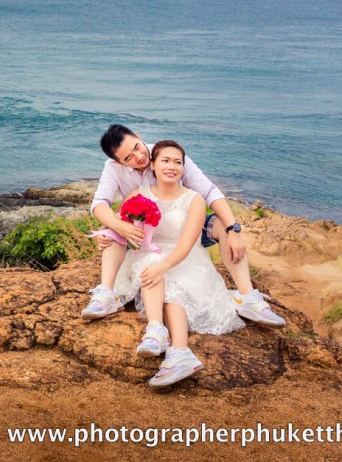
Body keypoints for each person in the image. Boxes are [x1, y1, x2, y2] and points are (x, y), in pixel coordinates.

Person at [80, 124, 284, 328]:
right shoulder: (113, 168)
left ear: (137, 136)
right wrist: (117, 225)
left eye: (136, 147)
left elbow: (209, 191)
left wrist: (234, 229)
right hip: (146, 233)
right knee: (110, 230)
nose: (138, 157)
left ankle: (248, 298)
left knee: (222, 225)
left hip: (182, 225)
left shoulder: (166, 155)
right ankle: (105, 294)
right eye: (128, 158)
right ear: (118, 161)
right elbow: (98, 204)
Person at [121, 140, 245, 386]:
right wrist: (111, 233)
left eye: (178, 162)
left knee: (172, 290)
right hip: (150, 255)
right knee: (154, 267)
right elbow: (119, 221)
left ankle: (177, 351)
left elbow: (187, 245)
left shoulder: (194, 199)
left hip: (185, 258)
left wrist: (163, 267)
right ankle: (161, 335)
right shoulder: (139, 195)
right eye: (165, 161)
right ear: (153, 165)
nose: (172, 166)